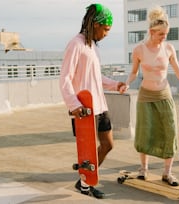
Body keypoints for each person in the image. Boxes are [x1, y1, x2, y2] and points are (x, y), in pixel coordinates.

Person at [125, 6, 179, 186]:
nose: (164, 37)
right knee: (145, 131)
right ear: (151, 31)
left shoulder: (168, 48)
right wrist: (127, 83)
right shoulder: (139, 50)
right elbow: (134, 72)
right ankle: (143, 169)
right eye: (161, 34)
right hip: (146, 96)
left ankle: (167, 173)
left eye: (166, 34)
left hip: (164, 94)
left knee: (170, 130)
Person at [59, 3, 126, 199]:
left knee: (108, 145)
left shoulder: (92, 47)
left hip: (100, 105)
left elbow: (96, 77)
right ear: (95, 24)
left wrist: (115, 85)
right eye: (106, 29)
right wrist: (74, 104)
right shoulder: (76, 44)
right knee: (87, 152)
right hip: (85, 110)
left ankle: (84, 179)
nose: (107, 34)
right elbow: (65, 78)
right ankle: (85, 184)